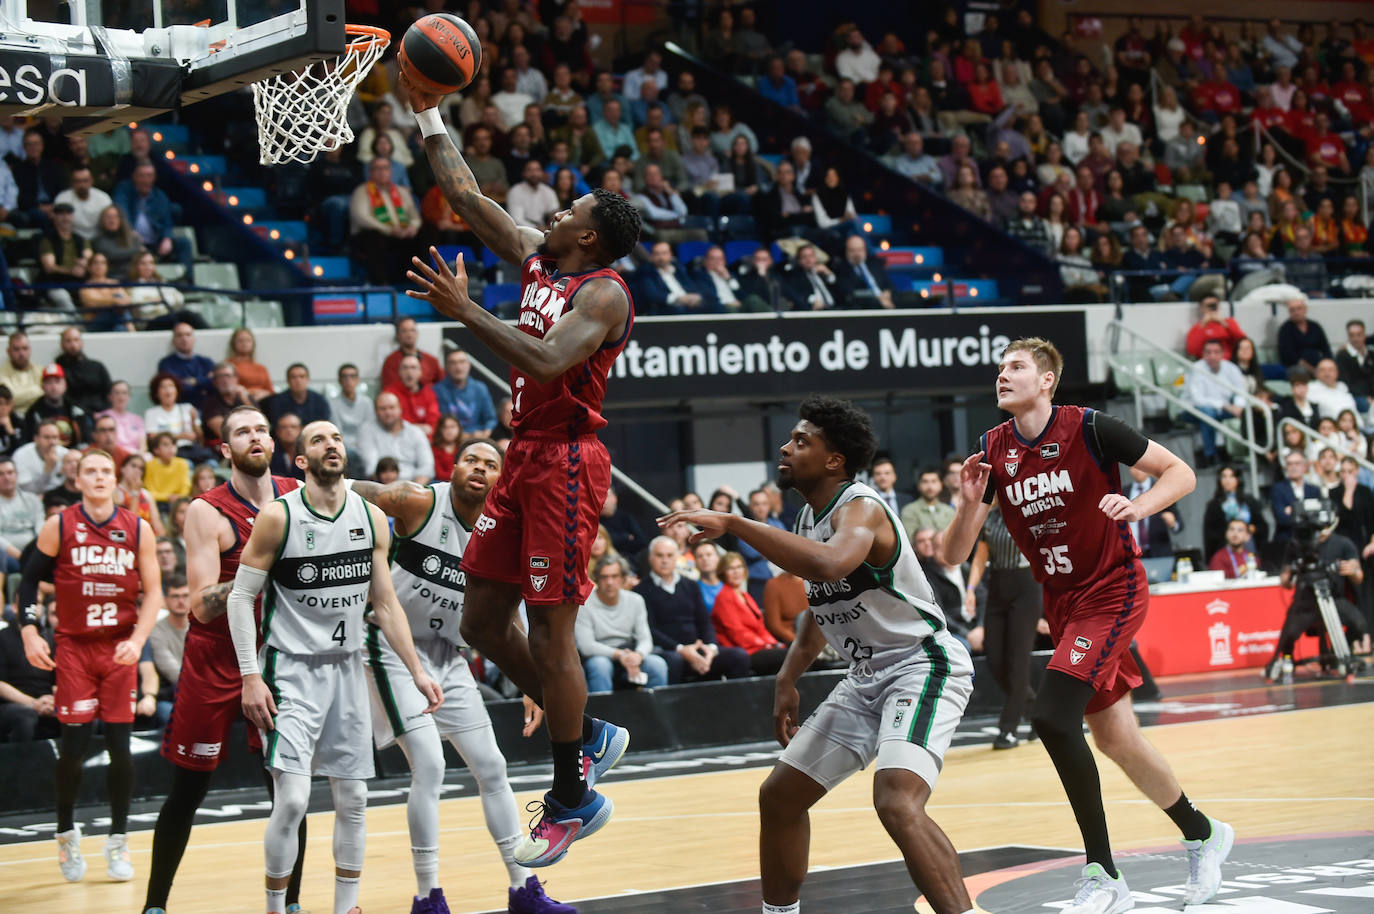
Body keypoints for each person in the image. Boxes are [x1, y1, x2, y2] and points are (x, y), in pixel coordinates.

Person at [405, 72, 644, 866]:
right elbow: (469, 197)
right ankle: (591, 731)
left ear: (591, 238)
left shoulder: (604, 293)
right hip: (524, 456)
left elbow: (544, 359)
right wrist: (428, 111)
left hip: (569, 463)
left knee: (550, 632)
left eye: (572, 211)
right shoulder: (542, 258)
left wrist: (467, 312)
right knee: (479, 620)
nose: (557, 209)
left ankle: (573, 799)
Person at [942, 337, 1234, 911]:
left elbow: (1180, 473)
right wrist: (967, 502)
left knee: (1052, 717)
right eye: (1001, 367)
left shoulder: (1092, 428)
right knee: (1116, 738)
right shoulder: (992, 450)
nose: (1003, 375)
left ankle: (1104, 874)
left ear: (1046, 380)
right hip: (1065, 604)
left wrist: (1138, 507)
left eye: (1016, 367)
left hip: (1113, 589)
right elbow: (954, 554)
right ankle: (1203, 832)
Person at [659, 396, 975, 914]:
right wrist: (788, 677)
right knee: (779, 797)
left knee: (896, 801)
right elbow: (821, 609)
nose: (785, 446)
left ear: (834, 460)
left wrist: (736, 524)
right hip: (865, 674)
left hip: (922, 665)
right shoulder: (807, 516)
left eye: (801, 441)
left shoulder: (862, 507)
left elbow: (830, 566)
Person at [349, 439, 574, 913]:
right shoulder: (417, 501)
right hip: (390, 646)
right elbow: (354, 488)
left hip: (448, 655)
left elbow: (506, 613)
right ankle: (427, 896)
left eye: (491, 464)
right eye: (471, 459)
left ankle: (524, 890)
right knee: (429, 765)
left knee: (492, 767)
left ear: (500, 480)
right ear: (453, 468)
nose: (480, 468)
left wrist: (528, 679)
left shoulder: (503, 535)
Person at [227, 420, 441, 914]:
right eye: (318, 440)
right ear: (301, 461)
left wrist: (417, 670)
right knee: (296, 800)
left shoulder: (370, 517)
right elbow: (241, 598)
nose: (331, 445)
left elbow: (385, 605)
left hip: (347, 668)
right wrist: (250, 675)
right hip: (291, 671)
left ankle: (346, 908)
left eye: (338, 438)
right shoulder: (278, 517)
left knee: (355, 799)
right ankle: (276, 909)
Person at [140, 407, 308, 914]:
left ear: (272, 441)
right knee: (187, 792)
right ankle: (155, 906)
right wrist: (259, 573)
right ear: (225, 449)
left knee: (288, 794)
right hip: (214, 660)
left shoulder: (297, 495)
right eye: (242, 432)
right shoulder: (206, 510)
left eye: (261, 428)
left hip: (275, 656)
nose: (254, 436)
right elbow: (199, 603)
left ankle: (291, 905)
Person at [20, 449, 161, 884]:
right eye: (90, 472)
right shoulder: (59, 525)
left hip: (119, 648)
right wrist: (28, 630)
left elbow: (154, 593)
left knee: (121, 747)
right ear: (78, 480)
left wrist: (138, 641)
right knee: (75, 750)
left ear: (116, 481)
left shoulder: (137, 528)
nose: (99, 477)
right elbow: (28, 580)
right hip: (76, 650)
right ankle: (65, 832)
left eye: (106, 471)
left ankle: (118, 839)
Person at [964, 502, 1040, 748]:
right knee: (995, 659)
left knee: (1018, 663)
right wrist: (971, 589)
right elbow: (981, 557)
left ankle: (1008, 729)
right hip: (997, 586)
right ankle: (1037, 712)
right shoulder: (989, 518)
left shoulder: (1029, 513)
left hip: (1026, 586)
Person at [1269, 498, 1367, 680]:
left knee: (1359, 625)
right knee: (1289, 634)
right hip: (1305, 600)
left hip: (1332, 596)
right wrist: (1288, 576)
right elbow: (1286, 578)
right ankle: (1285, 659)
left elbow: (1358, 575)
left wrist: (1351, 571)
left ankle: (1339, 652)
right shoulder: (1297, 543)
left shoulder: (1342, 543)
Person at [636, 536, 750, 684]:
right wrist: (681, 649)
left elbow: (705, 622)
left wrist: (711, 648)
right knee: (674, 661)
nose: (665, 560)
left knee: (739, 656)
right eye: (660, 555)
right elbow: (650, 630)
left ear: (677, 557)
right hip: (669, 650)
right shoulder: (640, 591)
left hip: (697, 647)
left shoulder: (690, 585)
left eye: (670, 555)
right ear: (650, 558)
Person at [577, 555, 668, 693]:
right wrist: (620, 655)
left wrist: (638, 655)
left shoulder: (636, 600)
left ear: (623, 578)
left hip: (630, 652)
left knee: (657, 664)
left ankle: (656, 712)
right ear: (596, 578)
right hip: (600, 655)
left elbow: (645, 639)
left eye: (615, 576)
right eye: (604, 577)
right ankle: (601, 713)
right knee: (600, 666)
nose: (609, 582)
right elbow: (586, 646)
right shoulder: (584, 604)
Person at [710, 550, 789, 675]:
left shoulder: (745, 595)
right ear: (723, 573)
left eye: (739, 567)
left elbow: (760, 627)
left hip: (759, 647)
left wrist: (773, 643)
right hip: (745, 651)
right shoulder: (723, 598)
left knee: (793, 647)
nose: (736, 572)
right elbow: (737, 633)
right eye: (731, 568)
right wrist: (765, 644)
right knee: (791, 656)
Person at [1184, 339, 1248, 466]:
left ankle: (1246, 452)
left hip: (1223, 409)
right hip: (1193, 410)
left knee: (1248, 412)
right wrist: (1224, 405)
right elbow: (1197, 399)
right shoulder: (1196, 368)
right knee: (1208, 413)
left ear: (1222, 353)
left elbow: (1241, 390)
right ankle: (1210, 455)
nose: (1212, 356)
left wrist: (1239, 406)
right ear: (1203, 354)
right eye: (1208, 352)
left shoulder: (1231, 368)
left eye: (1216, 352)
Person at [354, 391, 434, 484]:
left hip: (414, 485)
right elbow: (371, 468)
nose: (388, 412)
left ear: (400, 409)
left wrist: (414, 490)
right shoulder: (366, 431)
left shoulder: (415, 432)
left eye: (392, 407)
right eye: (383, 409)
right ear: (375, 411)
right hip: (381, 486)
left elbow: (427, 467)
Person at [147, 572, 190, 726]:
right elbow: (171, 671)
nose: (181, 601)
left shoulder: (201, 627)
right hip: (171, 695)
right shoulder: (156, 630)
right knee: (169, 713)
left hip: (200, 691)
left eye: (185, 595)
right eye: (175, 596)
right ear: (166, 600)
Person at [1202, 465, 1268, 561]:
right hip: (1225, 550)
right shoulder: (1214, 505)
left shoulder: (1249, 500)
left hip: (1249, 547)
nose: (1227, 480)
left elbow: (1262, 526)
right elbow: (1209, 534)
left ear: (1238, 479)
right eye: (1224, 476)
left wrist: (1252, 529)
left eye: (1232, 476)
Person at [22, 364, 90, 448]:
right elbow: (30, 443)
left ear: (65, 385)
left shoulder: (76, 410)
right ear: (42, 386)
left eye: (57, 382)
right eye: (49, 382)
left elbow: (86, 440)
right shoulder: (33, 412)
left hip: (73, 454)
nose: (53, 387)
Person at [433, 348, 497, 436]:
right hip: (450, 439)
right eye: (453, 363)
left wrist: (486, 433)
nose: (458, 367)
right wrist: (462, 436)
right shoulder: (437, 390)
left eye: (462, 362)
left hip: (478, 437)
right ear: (446, 366)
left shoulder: (480, 388)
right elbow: (439, 421)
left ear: (469, 365)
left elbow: (491, 419)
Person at [54, 327, 113, 418]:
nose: (73, 345)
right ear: (62, 344)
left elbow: (109, 392)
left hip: (102, 414)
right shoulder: (58, 369)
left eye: (76, 340)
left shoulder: (97, 366)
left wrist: (105, 413)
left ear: (81, 342)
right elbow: (63, 397)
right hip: (74, 415)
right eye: (68, 341)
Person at [156, 323, 215, 409]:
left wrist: (194, 381)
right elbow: (176, 388)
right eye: (179, 335)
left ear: (194, 339)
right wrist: (202, 383)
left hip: (206, 409)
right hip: (179, 410)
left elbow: (213, 385)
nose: (184, 339)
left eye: (188, 335)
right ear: (173, 341)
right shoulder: (166, 364)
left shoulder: (206, 362)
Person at [379, 317, 444, 392]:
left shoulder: (431, 360)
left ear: (417, 333)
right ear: (398, 335)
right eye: (404, 331)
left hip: (428, 400)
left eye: (412, 330)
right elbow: (388, 390)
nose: (409, 334)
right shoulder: (390, 362)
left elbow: (443, 385)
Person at [262, 363, 332, 429]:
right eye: (293, 377)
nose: (298, 380)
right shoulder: (277, 401)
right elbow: (276, 427)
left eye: (302, 376)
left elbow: (324, 425)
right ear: (288, 380)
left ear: (308, 379)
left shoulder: (320, 401)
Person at [1276, 297, 1332, 372]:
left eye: (1299, 308)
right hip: (1296, 366)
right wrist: (1312, 370)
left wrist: (1325, 365)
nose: (1296, 312)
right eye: (1292, 310)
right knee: (1301, 371)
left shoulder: (1315, 326)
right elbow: (1288, 355)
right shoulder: (1285, 329)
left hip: (1318, 364)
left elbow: (1326, 349)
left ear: (1305, 309)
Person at [13, 420, 68, 495]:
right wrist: (47, 471)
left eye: (55, 437)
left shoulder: (65, 454)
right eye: (47, 437)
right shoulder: (21, 456)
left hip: (61, 496)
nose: (52, 442)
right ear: (36, 439)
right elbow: (26, 491)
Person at [900, 467, 954, 539]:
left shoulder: (949, 511)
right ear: (919, 486)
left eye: (934, 481)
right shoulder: (909, 511)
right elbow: (911, 540)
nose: (930, 486)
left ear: (941, 485)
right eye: (925, 482)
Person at [0, 331, 44, 418]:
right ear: (8, 351)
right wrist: (37, 391)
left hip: (39, 417)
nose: (21, 353)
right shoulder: (1, 373)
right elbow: (10, 400)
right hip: (13, 419)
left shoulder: (40, 370)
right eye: (16, 349)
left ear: (30, 349)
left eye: (25, 348)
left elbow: (50, 395)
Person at [226, 328, 275, 403]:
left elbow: (270, 391)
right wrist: (252, 393)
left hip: (264, 402)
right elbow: (228, 388)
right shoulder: (228, 365)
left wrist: (263, 394)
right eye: (240, 341)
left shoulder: (261, 367)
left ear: (253, 344)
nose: (244, 343)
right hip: (240, 401)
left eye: (248, 340)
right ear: (233, 344)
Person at [328, 364, 370, 446]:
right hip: (342, 445)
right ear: (339, 380)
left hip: (365, 443)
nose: (348, 380)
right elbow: (336, 432)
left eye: (352, 376)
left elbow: (369, 428)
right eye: (345, 377)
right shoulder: (332, 404)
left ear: (358, 380)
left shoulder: (367, 402)